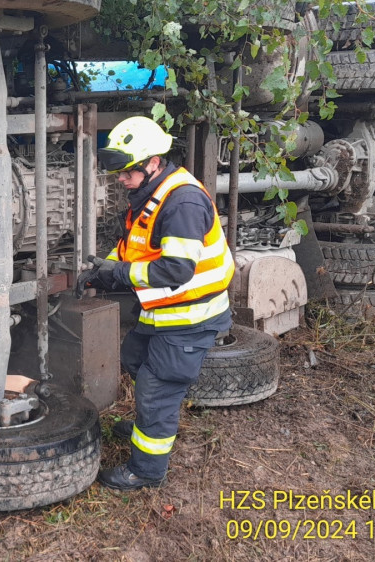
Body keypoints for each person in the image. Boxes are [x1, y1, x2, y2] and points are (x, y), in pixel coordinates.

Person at [82, 116, 234, 490]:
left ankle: (146, 470)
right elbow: (136, 248)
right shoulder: (153, 193)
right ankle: (151, 421)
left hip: (189, 317)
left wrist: (117, 275)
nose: (121, 179)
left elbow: (175, 270)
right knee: (135, 359)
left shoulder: (182, 202)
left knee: (157, 388)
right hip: (163, 311)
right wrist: (102, 271)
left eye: (128, 172)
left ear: (153, 162)